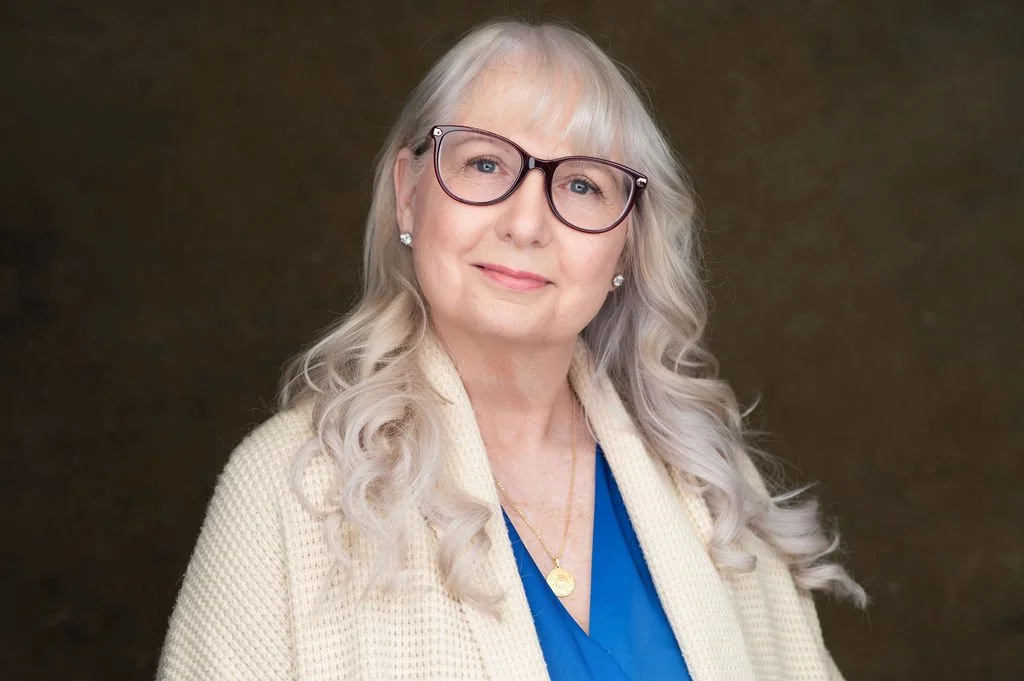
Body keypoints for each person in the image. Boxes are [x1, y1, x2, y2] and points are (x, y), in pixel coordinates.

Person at [157, 18, 866, 681]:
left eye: (583, 183)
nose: (527, 222)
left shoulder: (707, 482)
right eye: (486, 164)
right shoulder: (289, 487)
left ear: (625, 242)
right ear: (408, 195)